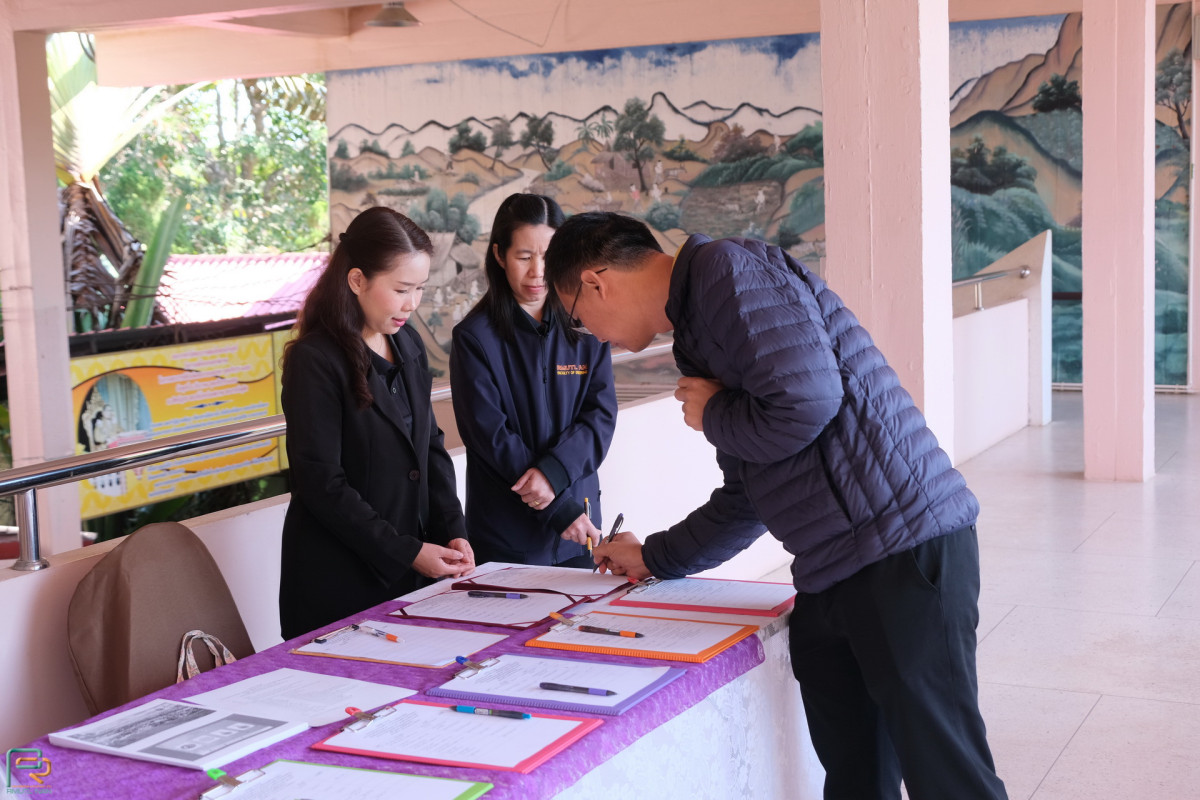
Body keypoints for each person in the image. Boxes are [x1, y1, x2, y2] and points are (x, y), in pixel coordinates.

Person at [544, 211, 1008, 800]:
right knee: (856, 778)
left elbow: (807, 403)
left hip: (901, 550)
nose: (591, 335)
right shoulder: (696, 332)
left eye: (579, 318)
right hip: (834, 568)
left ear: (596, 282)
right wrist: (653, 556)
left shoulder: (723, 269)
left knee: (949, 778)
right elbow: (748, 494)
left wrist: (715, 413)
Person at [279, 206, 474, 640]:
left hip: (411, 573)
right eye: (402, 289)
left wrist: (453, 531)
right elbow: (321, 482)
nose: (412, 304)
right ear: (357, 280)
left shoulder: (408, 343)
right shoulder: (315, 359)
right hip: (339, 582)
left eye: (420, 289)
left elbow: (430, 447)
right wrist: (406, 552)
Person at [450, 194, 616, 568]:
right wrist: (558, 508)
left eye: (548, 255)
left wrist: (554, 474)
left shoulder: (587, 325)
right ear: (499, 255)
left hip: (580, 529)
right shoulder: (474, 338)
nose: (538, 271)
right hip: (508, 536)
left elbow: (600, 416)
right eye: (524, 257)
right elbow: (491, 436)